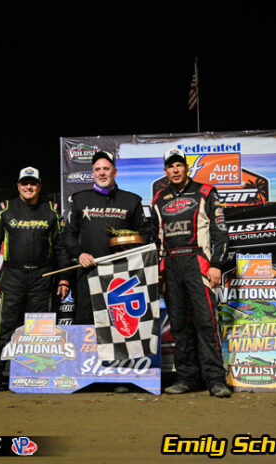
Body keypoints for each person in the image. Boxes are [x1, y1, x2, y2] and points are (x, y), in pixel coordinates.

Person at [0, 167, 70, 394]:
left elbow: (61, 249)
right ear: (18, 185)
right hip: (12, 276)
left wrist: (64, 279)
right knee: (4, 327)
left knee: (41, 330)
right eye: (24, 183)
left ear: (39, 186)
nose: (28, 187)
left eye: (33, 183)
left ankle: (40, 376)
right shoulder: (4, 209)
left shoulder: (52, 210)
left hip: (43, 277)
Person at [151, 148, 232, 398]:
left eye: (179, 165)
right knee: (179, 325)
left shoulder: (206, 192)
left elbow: (220, 231)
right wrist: (158, 271)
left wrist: (217, 264)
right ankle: (187, 378)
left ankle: (215, 380)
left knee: (206, 323)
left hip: (198, 263)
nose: (175, 170)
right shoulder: (158, 199)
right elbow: (156, 239)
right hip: (171, 265)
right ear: (165, 171)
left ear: (186, 168)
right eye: (170, 166)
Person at [63, 150, 152, 325]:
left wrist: (130, 248)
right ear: (92, 173)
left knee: (119, 325)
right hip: (88, 273)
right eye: (97, 169)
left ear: (115, 172)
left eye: (106, 168)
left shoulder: (131, 200)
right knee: (86, 323)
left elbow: (146, 234)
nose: (102, 173)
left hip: (121, 275)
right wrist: (79, 254)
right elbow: (68, 235)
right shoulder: (80, 200)